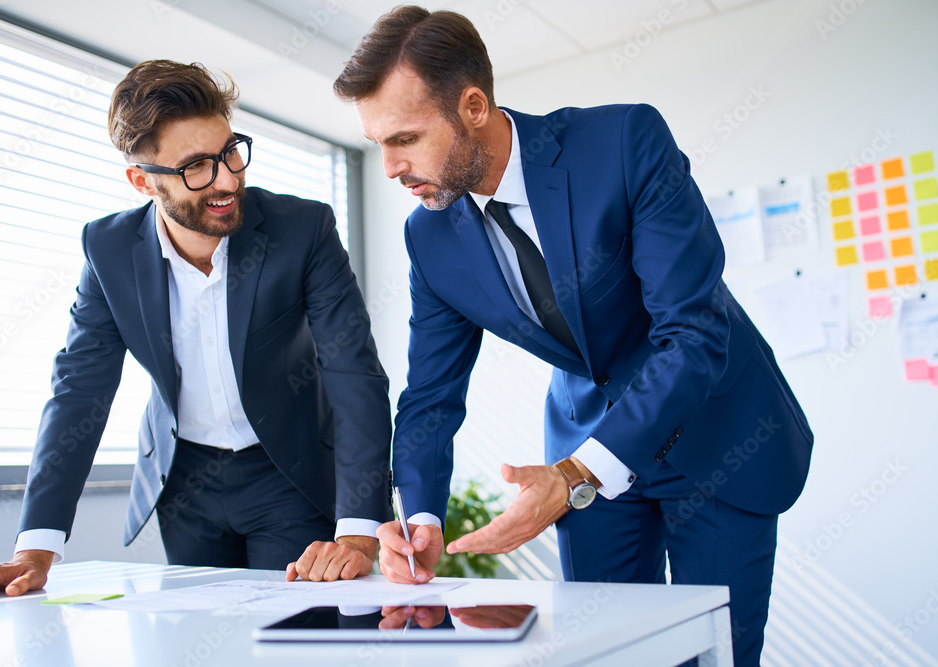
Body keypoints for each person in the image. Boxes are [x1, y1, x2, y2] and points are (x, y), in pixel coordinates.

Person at [334, 7, 813, 665]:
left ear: (473, 106)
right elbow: (430, 396)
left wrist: (577, 471)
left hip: (717, 433)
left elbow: (694, 332)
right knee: (607, 651)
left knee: (717, 654)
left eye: (405, 139)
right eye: (377, 143)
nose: (389, 167)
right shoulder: (430, 235)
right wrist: (420, 519)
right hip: (585, 444)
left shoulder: (621, 142)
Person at [0, 60, 392, 602]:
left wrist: (362, 530)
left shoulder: (304, 230)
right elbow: (80, 391)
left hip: (288, 473)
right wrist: (34, 547)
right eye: (196, 166)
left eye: (230, 152)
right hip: (185, 483)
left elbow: (353, 373)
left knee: (291, 635)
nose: (227, 179)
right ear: (142, 181)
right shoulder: (107, 250)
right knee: (200, 642)